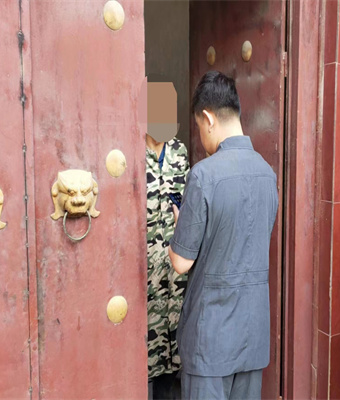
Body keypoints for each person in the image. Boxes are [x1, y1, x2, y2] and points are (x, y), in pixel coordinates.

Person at [168, 71, 278, 400]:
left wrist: (180, 225)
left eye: (199, 127)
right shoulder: (267, 174)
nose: (201, 135)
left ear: (208, 118)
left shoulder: (204, 175)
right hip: (252, 338)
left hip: (211, 341)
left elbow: (181, 262)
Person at [146, 80, 189, 399]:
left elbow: (186, 201)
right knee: (143, 351)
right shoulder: (129, 151)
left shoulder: (179, 151)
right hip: (144, 270)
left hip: (174, 269)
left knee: (174, 353)